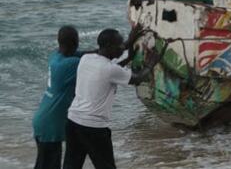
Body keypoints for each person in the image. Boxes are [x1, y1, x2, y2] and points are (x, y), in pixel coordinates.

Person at [64, 26, 161, 169]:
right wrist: (152, 62)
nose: (123, 47)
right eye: (120, 44)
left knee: (71, 165)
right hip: (94, 127)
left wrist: (129, 53)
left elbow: (111, 71)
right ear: (109, 46)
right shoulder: (110, 69)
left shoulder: (86, 59)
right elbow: (138, 78)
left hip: (73, 121)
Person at [32, 27, 92, 169]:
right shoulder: (70, 64)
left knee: (45, 163)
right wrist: (126, 46)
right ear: (74, 42)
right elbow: (97, 61)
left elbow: (85, 54)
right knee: (49, 165)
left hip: (44, 120)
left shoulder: (56, 56)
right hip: (50, 125)